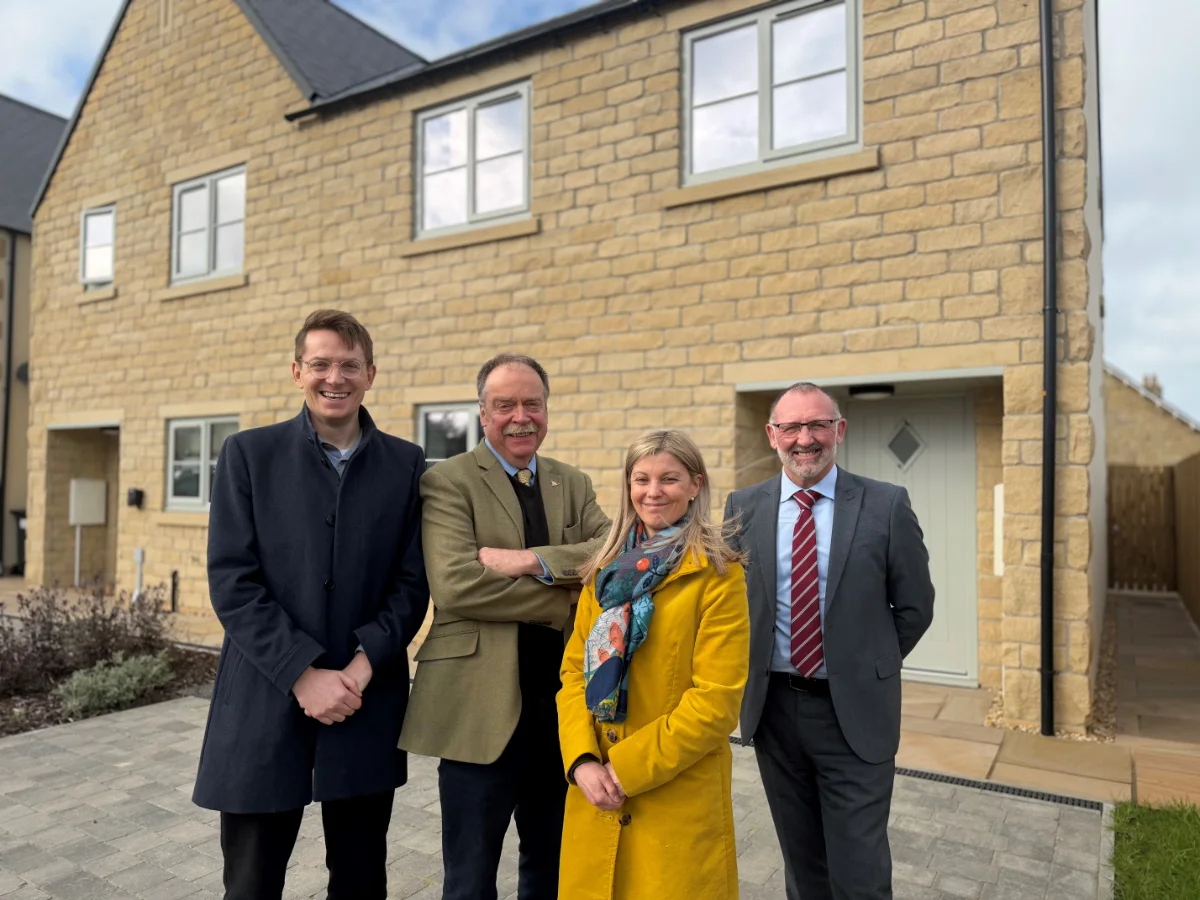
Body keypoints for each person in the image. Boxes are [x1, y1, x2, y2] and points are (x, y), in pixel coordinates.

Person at [192, 309, 429, 900]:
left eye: (349, 364)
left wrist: (357, 669)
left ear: (370, 373)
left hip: (363, 701)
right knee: (250, 884)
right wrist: (304, 675)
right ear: (298, 371)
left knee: (359, 880)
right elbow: (233, 581)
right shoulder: (249, 455)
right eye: (321, 363)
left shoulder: (406, 465)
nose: (335, 376)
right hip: (265, 698)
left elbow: (412, 583)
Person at [399, 352, 611, 900]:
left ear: (547, 409)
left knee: (553, 865)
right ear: (482, 412)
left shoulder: (573, 481)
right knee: (469, 878)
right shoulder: (447, 481)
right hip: (479, 707)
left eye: (532, 403)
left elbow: (609, 556)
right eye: (505, 405)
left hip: (561, 710)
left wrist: (529, 561)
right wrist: (562, 597)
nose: (521, 416)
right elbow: (456, 585)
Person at [723, 382, 935, 900]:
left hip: (855, 715)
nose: (805, 439)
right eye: (792, 427)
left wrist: (863, 665)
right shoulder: (743, 507)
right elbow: (731, 607)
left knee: (860, 871)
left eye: (817, 424)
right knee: (803, 866)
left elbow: (914, 608)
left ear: (838, 431)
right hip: (774, 712)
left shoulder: (886, 505)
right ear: (772, 435)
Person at [557, 429, 749, 899]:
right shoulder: (604, 570)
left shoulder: (719, 575)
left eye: (669, 478)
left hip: (672, 795)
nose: (653, 491)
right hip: (593, 790)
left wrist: (624, 770)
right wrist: (582, 761)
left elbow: (715, 703)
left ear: (695, 485)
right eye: (641, 478)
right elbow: (573, 674)